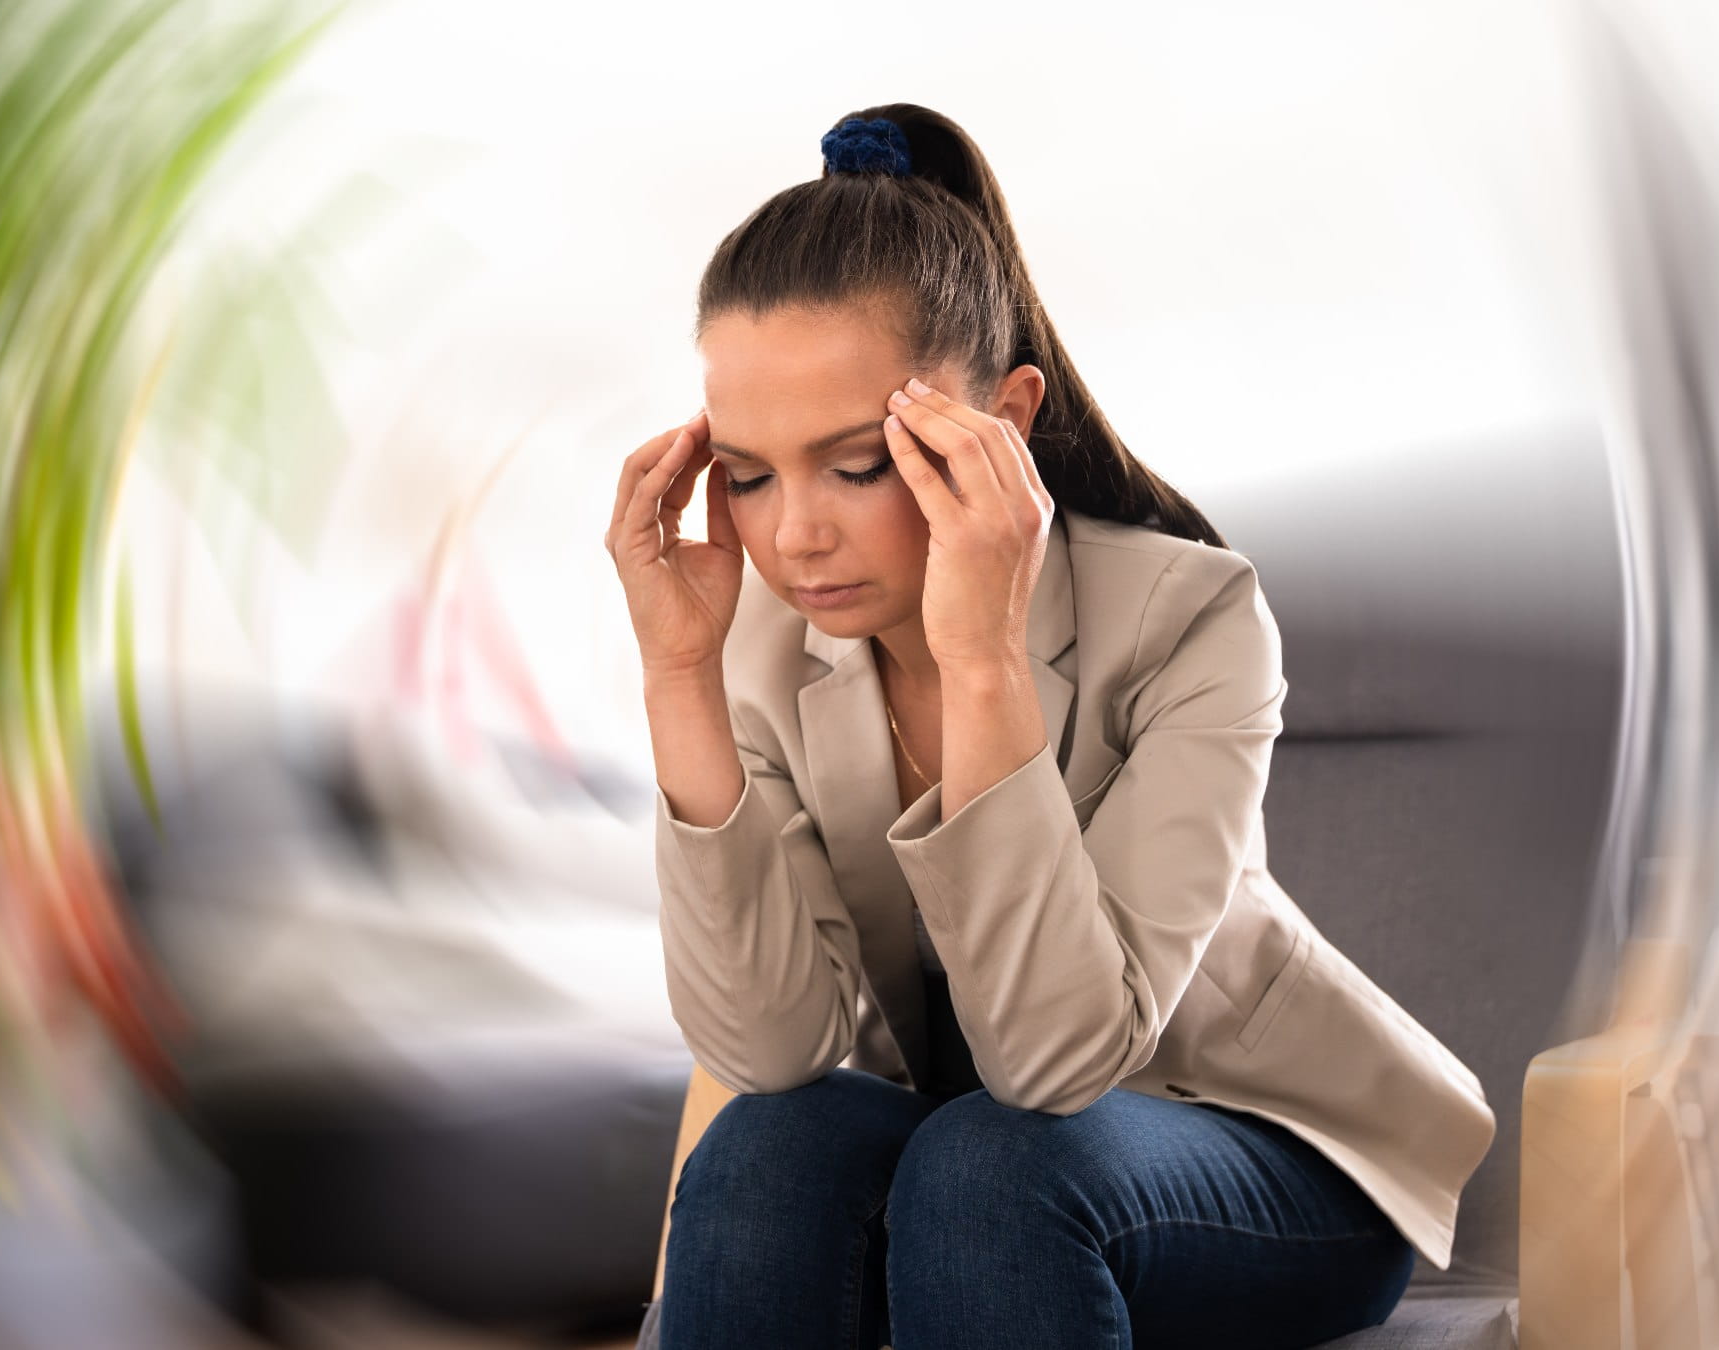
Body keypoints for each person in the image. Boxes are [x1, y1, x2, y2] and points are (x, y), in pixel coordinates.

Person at [604, 104, 1494, 1350]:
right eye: (748, 474)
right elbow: (773, 1044)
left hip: (1277, 1159)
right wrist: (677, 678)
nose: (794, 533)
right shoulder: (752, 640)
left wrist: (977, 660)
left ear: (1004, 421)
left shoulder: (1193, 618)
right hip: (977, 1152)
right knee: (768, 1149)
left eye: (858, 464)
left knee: (993, 1165)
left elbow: (1056, 1066)